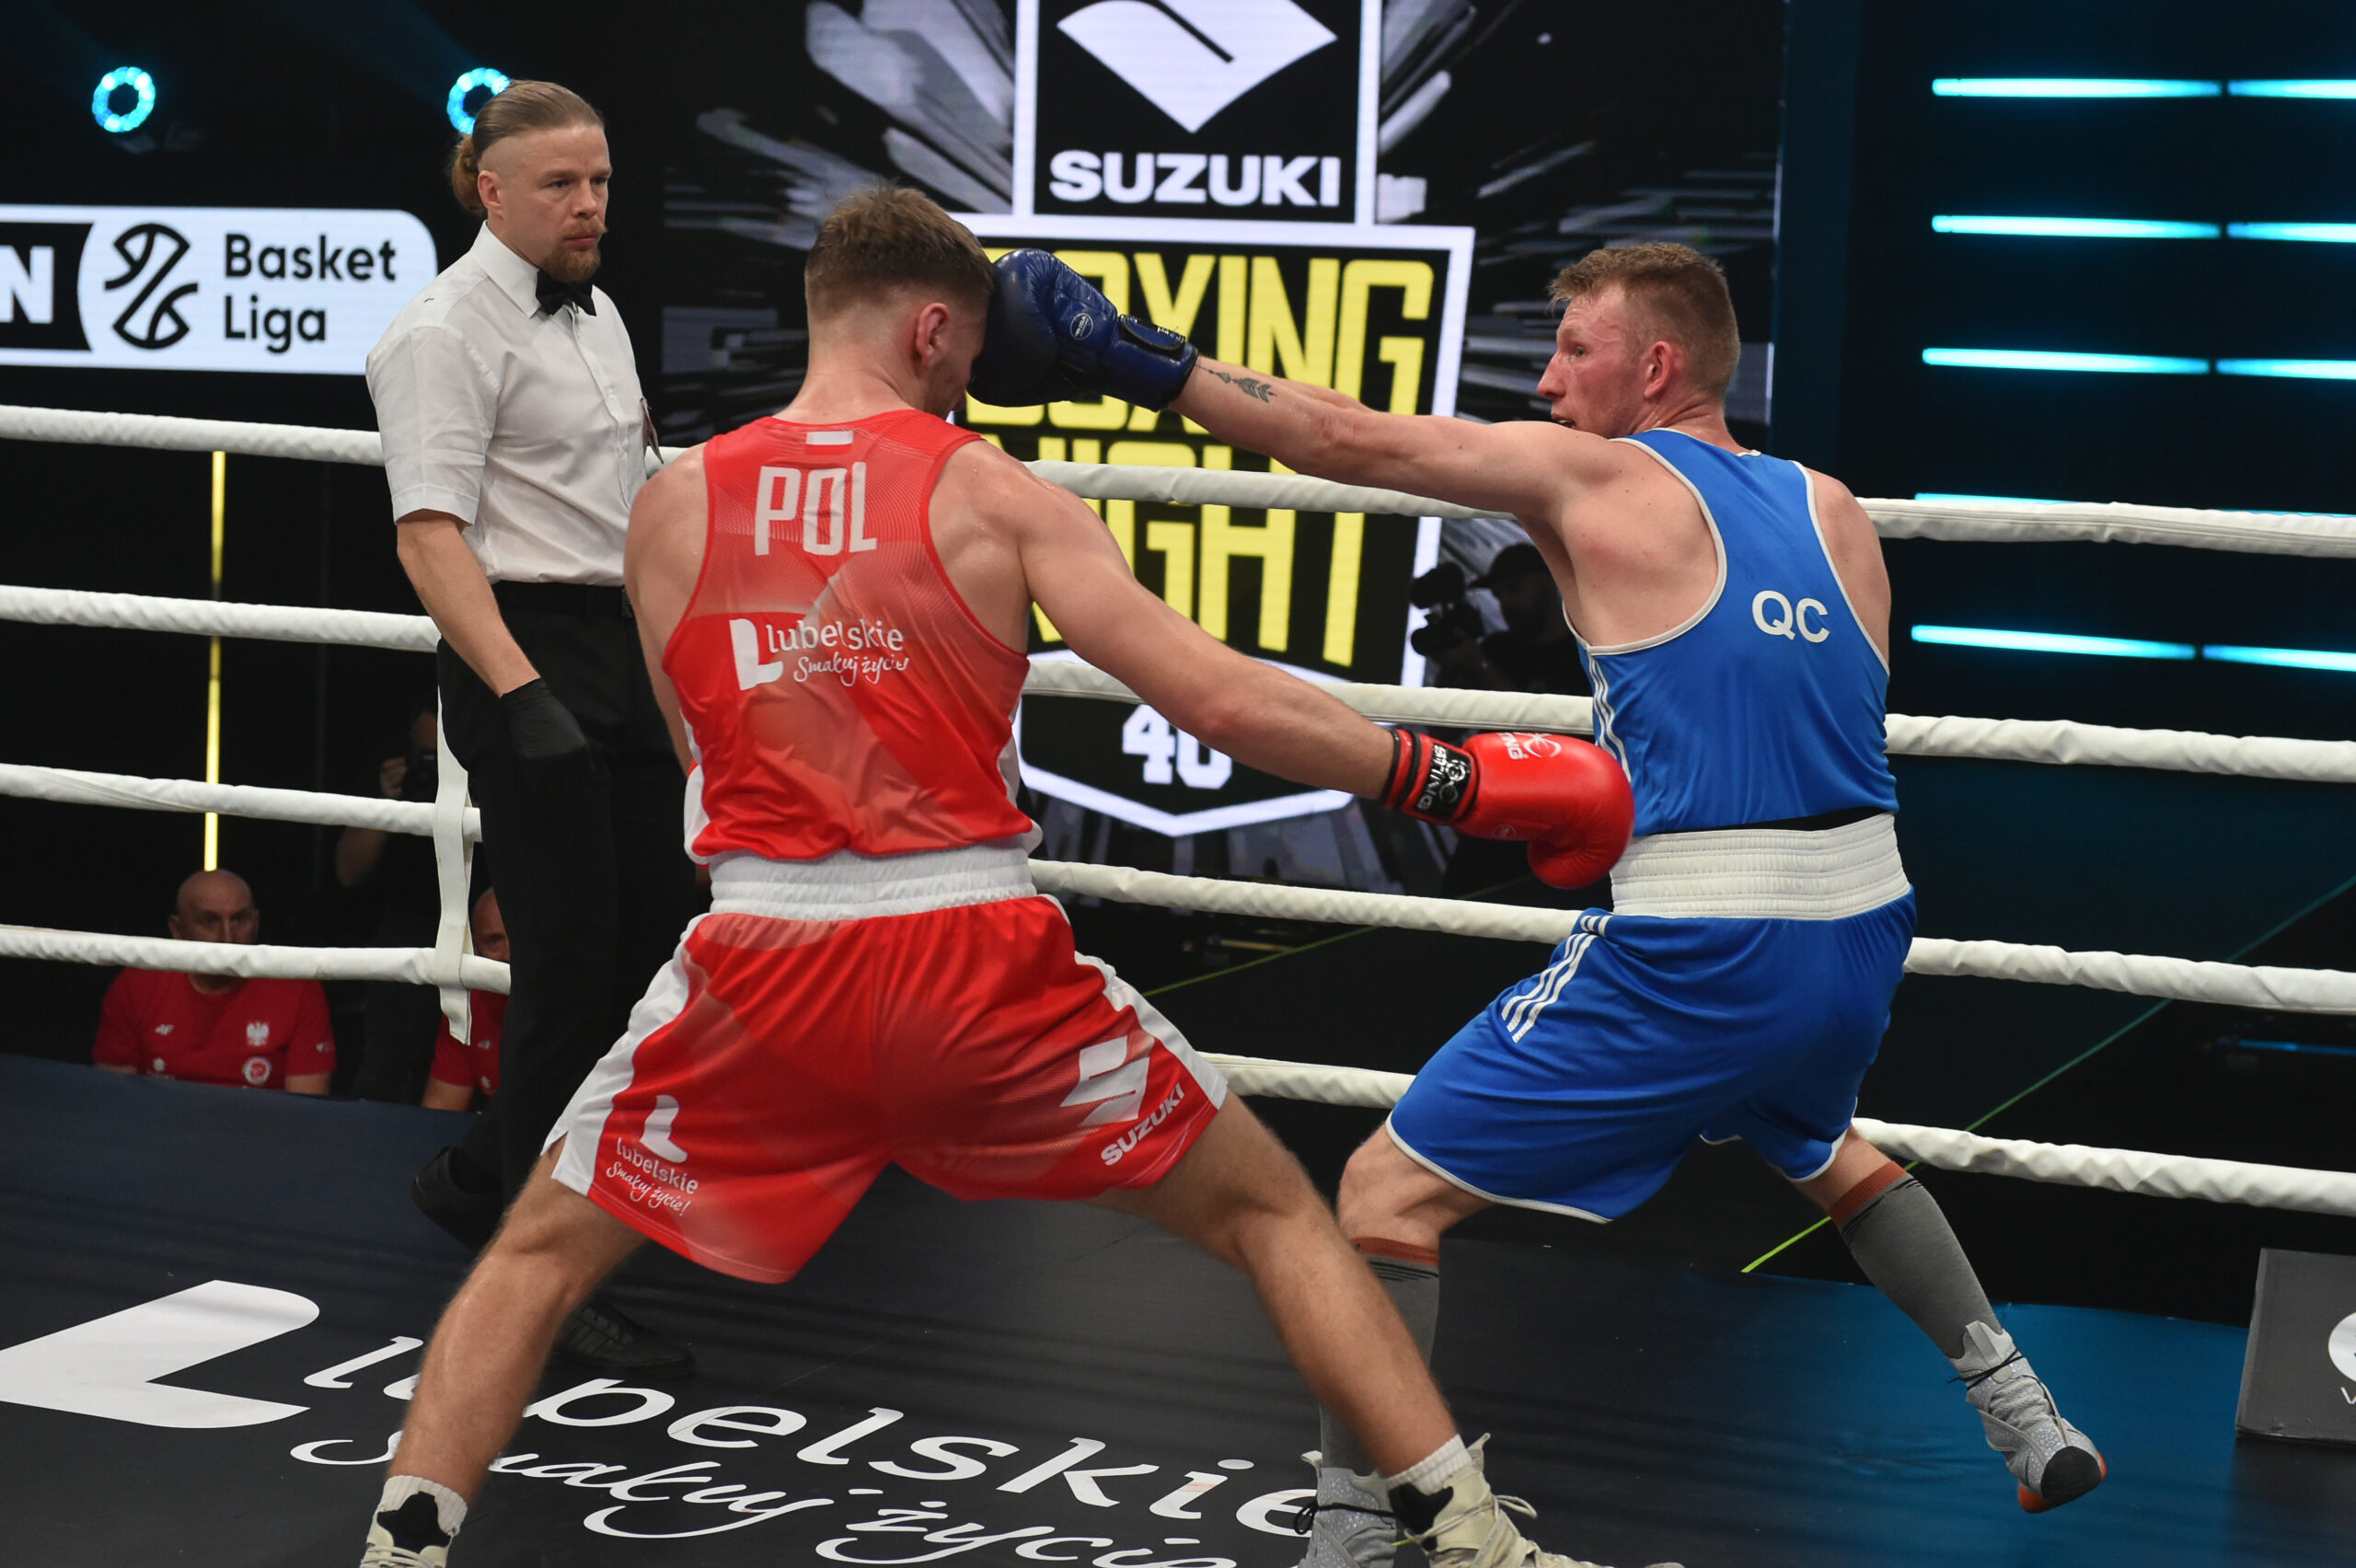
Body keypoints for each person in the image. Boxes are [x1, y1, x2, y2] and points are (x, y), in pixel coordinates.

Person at [354, 188, 1648, 1568]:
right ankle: (1466, 1537)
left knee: (535, 1255)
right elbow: (1217, 699)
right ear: (930, 329)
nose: (969, 383)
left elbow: (698, 757)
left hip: (757, 960)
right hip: (971, 955)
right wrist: (1445, 779)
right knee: (1278, 1214)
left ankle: (401, 1548)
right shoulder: (992, 492)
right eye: (965, 355)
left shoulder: (666, 509)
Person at [972, 240, 2108, 1562]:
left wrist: (1131, 360)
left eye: (1577, 350)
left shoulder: (1594, 475)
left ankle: (1352, 1534)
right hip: (1860, 931)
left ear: (1657, 366)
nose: (1550, 380)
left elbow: (1348, 440)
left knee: (1380, 1193)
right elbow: (1798, 715)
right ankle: (2026, 1417)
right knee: (1817, 1143)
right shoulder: (1834, 508)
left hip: (1704, 942)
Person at [366, 79, 702, 1375]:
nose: (589, 205)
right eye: (562, 183)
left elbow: (632, 491)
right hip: (521, 648)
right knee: (566, 966)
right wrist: (518, 691)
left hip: (619, 642)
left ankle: (480, 1178)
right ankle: (535, 1274)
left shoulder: (597, 310)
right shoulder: (440, 332)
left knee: (650, 949)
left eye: (600, 180)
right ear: (489, 188)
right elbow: (429, 537)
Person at [93, 870, 334, 1094]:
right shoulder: (136, 986)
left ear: (256, 922)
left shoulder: (297, 988)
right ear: (177, 929)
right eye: (209, 921)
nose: (227, 938)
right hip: (161, 1124)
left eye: (239, 919)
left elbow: (305, 1112)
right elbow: (115, 1101)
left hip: (263, 1125)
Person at [337, 699, 447, 1103]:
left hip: (485, 933)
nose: (433, 767)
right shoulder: (394, 788)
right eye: (426, 757)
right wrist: (388, 803)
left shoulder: (494, 782)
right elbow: (348, 872)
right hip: (405, 933)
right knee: (386, 1064)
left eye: (443, 758)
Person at [422, 891, 509, 1112]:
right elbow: (440, 1112)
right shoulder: (468, 1007)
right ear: (475, 949)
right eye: (495, 940)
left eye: (520, 936)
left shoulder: (573, 1002)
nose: (509, 954)